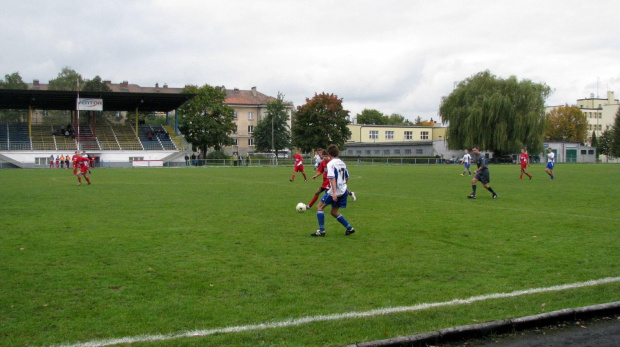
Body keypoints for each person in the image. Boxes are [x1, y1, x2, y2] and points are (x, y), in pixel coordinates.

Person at [311, 144, 355, 237]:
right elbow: (347, 177)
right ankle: (350, 228)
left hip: (334, 192)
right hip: (343, 191)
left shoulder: (330, 164)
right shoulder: (342, 163)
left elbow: (332, 179)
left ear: (329, 153)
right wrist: (344, 186)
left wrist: (334, 193)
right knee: (333, 212)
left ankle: (321, 231)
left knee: (319, 207)